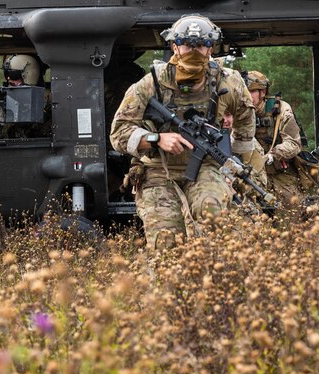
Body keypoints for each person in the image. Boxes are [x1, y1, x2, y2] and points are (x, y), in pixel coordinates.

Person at [110, 15, 255, 250]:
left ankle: (214, 280)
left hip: (207, 166)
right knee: (165, 240)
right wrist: (156, 139)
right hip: (158, 170)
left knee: (214, 220)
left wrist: (235, 166)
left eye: (201, 45)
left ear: (211, 47)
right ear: (174, 46)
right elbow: (118, 134)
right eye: (187, 45)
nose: (194, 52)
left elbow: (245, 126)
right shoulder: (151, 84)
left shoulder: (228, 82)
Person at [245, 70, 306, 204]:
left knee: (292, 207)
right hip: (249, 174)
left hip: (280, 174)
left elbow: (294, 144)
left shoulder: (280, 110)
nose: (246, 96)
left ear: (263, 92)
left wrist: (273, 154)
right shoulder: (237, 111)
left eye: (251, 91)